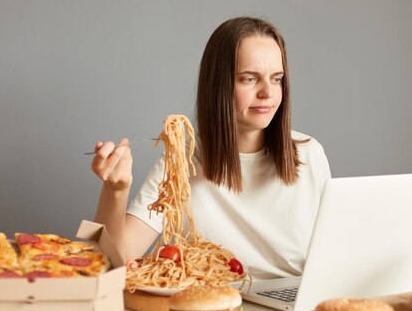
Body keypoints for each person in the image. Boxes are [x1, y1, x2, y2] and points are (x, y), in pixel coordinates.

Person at [91, 17, 331, 279]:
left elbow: (336, 258)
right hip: (211, 309)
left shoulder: (309, 155)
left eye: (276, 79)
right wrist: (115, 191)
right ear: (219, 86)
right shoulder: (180, 162)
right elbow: (113, 262)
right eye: (249, 79)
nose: (267, 92)